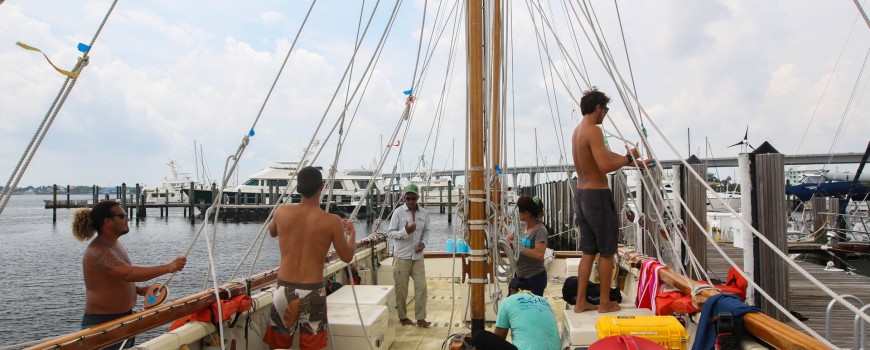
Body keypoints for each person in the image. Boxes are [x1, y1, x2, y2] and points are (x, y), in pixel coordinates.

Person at [571, 88, 653, 314]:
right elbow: (606, 166)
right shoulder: (594, 130)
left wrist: (634, 162)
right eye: (605, 109)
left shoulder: (578, 131)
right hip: (597, 196)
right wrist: (630, 157)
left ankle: (580, 302)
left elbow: (603, 158)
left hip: (581, 195)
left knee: (588, 251)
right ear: (597, 108)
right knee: (607, 251)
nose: (605, 114)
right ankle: (605, 302)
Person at [264, 166, 356, 349]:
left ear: (299, 187)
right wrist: (351, 233)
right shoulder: (332, 221)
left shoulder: (282, 212)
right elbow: (346, 256)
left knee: (279, 347)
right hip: (313, 292)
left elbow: (272, 231)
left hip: (284, 289)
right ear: (321, 187)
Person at [73, 200, 187, 349]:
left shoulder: (114, 245)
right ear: (107, 221)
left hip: (124, 319)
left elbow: (116, 279)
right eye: (122, 216)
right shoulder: (97, 252)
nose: (127, 218)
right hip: (103, 324)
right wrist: (168, 267)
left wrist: (139, 290)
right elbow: (128, 273)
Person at [472, 277, 561, 350]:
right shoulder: (545, 301)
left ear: (512, 290)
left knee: (479, 336)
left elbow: (499, 338)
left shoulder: (508, 301)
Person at [387, 183, 431, 327]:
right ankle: (403, 317)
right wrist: (406, 232)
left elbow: (427, 231)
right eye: (408, 198)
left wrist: (423, 243)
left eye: (413, 198)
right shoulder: (398, 212)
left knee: (421, 287)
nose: (411, 201)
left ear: (418, 197)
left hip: (417, 256)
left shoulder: (424, 213)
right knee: (401, 289)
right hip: (401, 257)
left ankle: (420, 318)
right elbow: (390, 233)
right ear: (404, 198)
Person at [507, 195, 548, 296]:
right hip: (520, 277)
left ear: (526, 213)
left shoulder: (540, 230)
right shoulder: (522, 226)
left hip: (534, 278)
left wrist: (518, 247)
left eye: (518, 211)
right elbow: (508, 239)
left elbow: (539, 254)